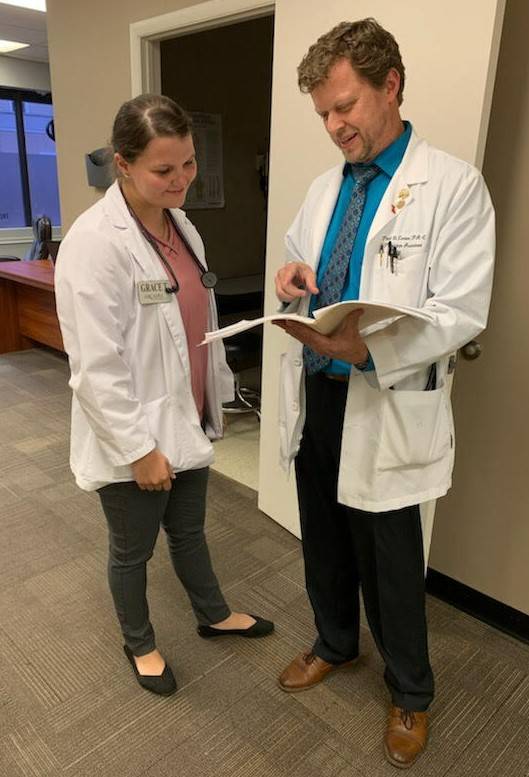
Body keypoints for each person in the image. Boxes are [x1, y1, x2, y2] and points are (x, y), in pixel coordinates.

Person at [273, 19, 494, 768]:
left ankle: (410, 692)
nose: (334, 127)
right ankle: (334, 640)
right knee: (323, 536)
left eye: (344, 107)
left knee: (391, 558)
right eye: (323, 115)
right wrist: (291, 276)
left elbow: (461, 309)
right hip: (320, 393)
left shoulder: (452, 186)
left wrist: (368, 347)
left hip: (387, 396)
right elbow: (301, 256)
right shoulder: (322, 186)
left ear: (389, 85)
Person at [55, 94, 273, 697]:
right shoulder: (94, 243)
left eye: (188, 165)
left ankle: (213, 614)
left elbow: (194, 326)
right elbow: (95, 367)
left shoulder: (183, 227)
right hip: (137, 434)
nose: (181, 181)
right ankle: (140, 642)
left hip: (188, 417)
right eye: (163, 169)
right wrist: (137, 448)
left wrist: (214, 399)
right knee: (132, 551)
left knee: (190, 532)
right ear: (122, 164)